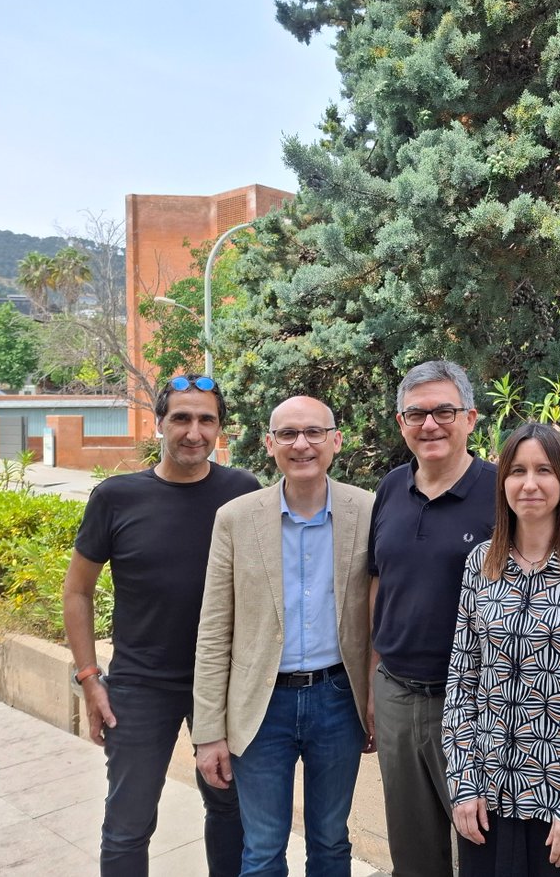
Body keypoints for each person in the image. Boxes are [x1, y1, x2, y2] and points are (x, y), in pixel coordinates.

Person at [62, 374, 260, 876]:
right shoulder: (117, 497)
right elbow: (76, 591)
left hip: (221, 682)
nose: (193, 431)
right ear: (159, 425)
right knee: (128, 825)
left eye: (206, 419)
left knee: (230, 810)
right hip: (139, 685)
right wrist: (89, 679)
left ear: (220, 429)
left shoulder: (243, 491)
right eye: (181, 419)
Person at [192, 395, 375, 876]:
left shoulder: (369, 512)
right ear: (270, 444)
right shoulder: (235, 518)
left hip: (338, 701)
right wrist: (207, 731)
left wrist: (375, 702)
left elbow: (382, 619)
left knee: (332, 842)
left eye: (314, 432)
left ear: (336, 440)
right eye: (288, 434)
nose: (302, 444)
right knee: (262, 848)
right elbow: (214, 630)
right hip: (260, 704)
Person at [443, 421, 560, 875]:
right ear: (502, 481)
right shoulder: (480, 565)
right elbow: (461, 685)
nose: (529, 484)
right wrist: (464, 786)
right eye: (517, 471)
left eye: (543, 470)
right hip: (487, 803)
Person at [368, 360, 497, 877]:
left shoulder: (504, 491)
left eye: (444, 411)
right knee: (413, 853)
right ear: (401, 424)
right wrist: (372, 683)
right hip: (397, 694)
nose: (430, 425)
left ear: (470, 417)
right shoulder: (391, 489)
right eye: (416, 414)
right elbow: (378, 584)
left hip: (475, 703)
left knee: (485, 845)